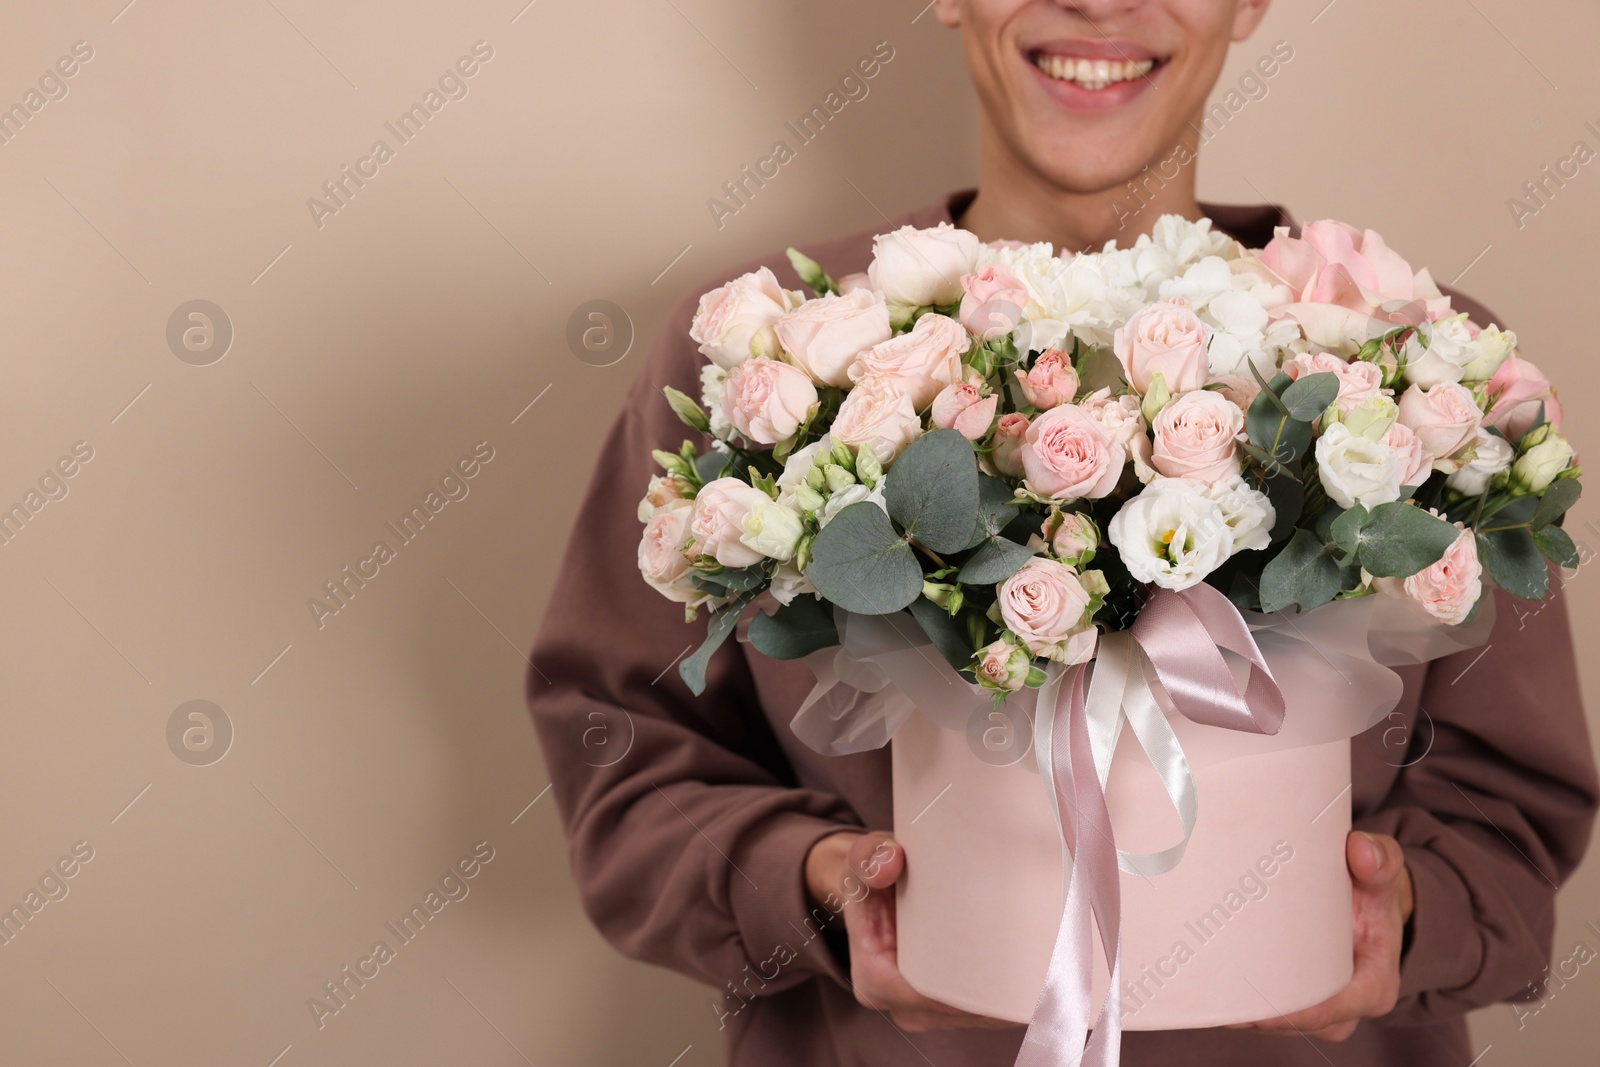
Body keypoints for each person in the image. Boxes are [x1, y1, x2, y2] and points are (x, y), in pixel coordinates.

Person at [526, 1, 1598, 1064]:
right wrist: (802, 882)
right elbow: (623, 751)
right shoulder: (762, 363)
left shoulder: (1424, 371)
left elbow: (1513, 803)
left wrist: (1406, 915)